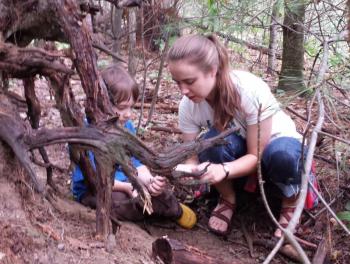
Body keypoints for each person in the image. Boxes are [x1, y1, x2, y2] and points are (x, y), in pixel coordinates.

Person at [168, 34, 318, 237]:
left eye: (189, 81)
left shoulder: (248, 90)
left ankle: (290, 205)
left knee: (283, 155)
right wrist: (191, 169)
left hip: (274, 147)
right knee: (210, 144)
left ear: (213, 71)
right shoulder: (188, 106)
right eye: (177, 83)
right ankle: (228, 198)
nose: (183, 90)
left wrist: (222, 169)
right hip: (239, 157)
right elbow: (192, 154)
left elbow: (256, 155)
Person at [71, 64, 196, 229]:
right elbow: (93, 178)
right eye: (122, 108)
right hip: (95, 189)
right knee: (118, 203)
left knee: (157, 190)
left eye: (131, 107)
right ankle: (152, 212)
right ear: (102, 103)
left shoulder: (126, 126)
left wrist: (148, 180)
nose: (128, 114)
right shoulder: (87, 133)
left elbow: (136, 161)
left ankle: (174, 210)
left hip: (128, 180)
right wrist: (129, 187)